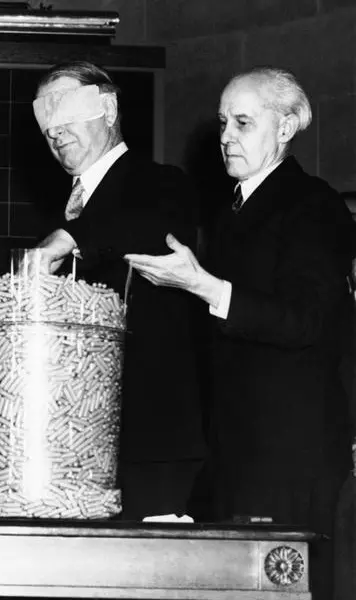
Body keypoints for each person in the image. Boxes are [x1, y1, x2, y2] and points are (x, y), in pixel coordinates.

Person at [124, 67, 356, 600]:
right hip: (236, 452)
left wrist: (205, 286)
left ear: (287, 126)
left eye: (243, 122)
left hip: (289, 457)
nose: (226, 135)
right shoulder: (232, 211)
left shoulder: (312, 205)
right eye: (224, 121)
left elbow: (305, 320)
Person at [29, 60, 205, 520]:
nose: (55, 131)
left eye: (68, 115)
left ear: (107, 108)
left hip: (149, 439)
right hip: (76, 442)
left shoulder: (159, 183)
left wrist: (73, 238)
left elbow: (152, 221)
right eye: (48, 122)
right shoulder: (65, 209)